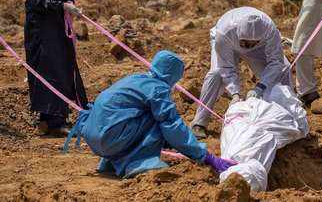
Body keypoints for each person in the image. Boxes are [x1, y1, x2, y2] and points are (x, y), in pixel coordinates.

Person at [65, 50, 234, 178]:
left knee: (141, 116)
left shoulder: (136, 79)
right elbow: (172, 125)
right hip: (111, 137)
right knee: (159, 119)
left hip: (95, 136)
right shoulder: (157, 89)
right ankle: (140, 163)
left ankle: (111, 162)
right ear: (172, 75)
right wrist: (205, 156)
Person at [19, 0, 87, 136]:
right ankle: (49, 120)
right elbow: (35, 1)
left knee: (63, 66)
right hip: (40, 27)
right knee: (47, 70)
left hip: (56, 24)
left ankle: (61, 115)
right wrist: (61, 6)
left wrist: (68, 1)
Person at [191, 7, 292, 139]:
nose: (247, 46)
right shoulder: (225, 32)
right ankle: (199, 122)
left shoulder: (270, 30)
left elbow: (276, 62)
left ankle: (287, 115)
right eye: (245, 42)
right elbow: (225, 67)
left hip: (259, 48)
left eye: (251, 43)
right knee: (216, 74)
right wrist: (235, 93)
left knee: (284, 70)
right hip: (228, 44)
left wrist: (261, 87)